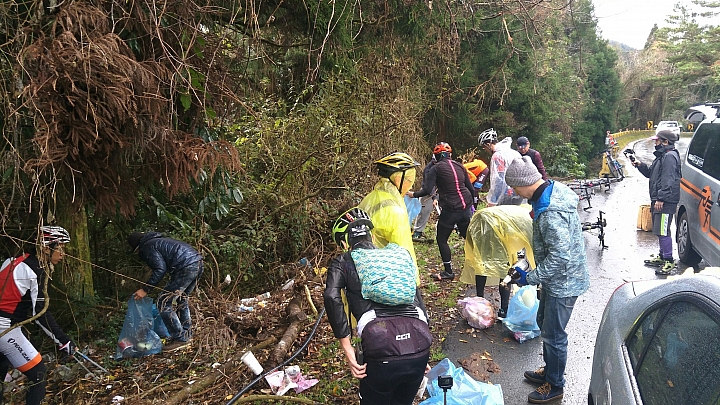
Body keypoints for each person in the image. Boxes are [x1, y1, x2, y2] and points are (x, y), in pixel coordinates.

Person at [503, 156, 590, 404]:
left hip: (565, 282)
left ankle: (555, 385)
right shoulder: (550, 191)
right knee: (544, 322)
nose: (513, 191)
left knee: (554, 334)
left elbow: (560, 256)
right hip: (556, 279)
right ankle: (549, 370)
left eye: (514, 186)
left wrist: (530, 278)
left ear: (523, 183)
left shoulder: (550, 211)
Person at [323, 208, 431, 405]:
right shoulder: (396, 257)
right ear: (371, 235)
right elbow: (416, 297)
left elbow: (331, 296)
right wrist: (417, 349)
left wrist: (347, 349)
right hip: (419, 343)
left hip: (381, 348)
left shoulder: (344, 261)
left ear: (345, 243)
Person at [0, 226, 77, 405]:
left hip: (8, 325)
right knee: (39, 373)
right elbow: (40, 313)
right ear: (45, 248)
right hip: (5, 327)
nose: (63, 254)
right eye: (60, 248)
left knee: (2, 368)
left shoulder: (12, 261)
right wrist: (64, 341)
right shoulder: (36, 271)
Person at [408, 142, 474, 281]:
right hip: (465, 206)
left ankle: (448, 272)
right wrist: (473, 203)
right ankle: (478, 263)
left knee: (442, 239)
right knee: (467, 236)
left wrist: (413, 194)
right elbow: (471, 188)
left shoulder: (435, 168)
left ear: (437, 156)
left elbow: (426, 190)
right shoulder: (459, 166)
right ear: (450, 155)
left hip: (451, 208)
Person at [128, 232, 204, 351]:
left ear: (137, 247)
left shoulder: (147, 247)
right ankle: (186, 334)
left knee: (163, 302)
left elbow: (160, 268)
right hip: (197, 262)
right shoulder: (157, 241)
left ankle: (180, 338)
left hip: (185, 267)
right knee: (181, 299)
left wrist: (145, 289)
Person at [475, 128, 523, 307]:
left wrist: (491, 202)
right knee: (508, 253)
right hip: (518, 202)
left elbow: (498, 182)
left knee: (488, 252)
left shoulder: (497, 156)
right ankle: (504, 308)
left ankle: (480, 299)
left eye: (484, 147)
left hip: (503, 205)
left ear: (488, 144)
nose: (486, 150)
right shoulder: (513, 152)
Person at [358, 152, 420, 282]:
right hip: (385, 279)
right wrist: (414, 283)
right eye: (408, 178)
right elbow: (404, 252)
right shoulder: (394, 210)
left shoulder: (370, 198)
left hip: (362, 273)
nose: (410, 182)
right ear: (398, 178)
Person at [631, 130, 682, 275]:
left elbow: (668, 179)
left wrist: (661, 198)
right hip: (658, 199)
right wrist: (639, 164)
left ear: (665, 142)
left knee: (663, 229)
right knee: (659, 229)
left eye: (657, 140)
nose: (655, 143)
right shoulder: (661, 156)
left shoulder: (670, 157)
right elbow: (650, 173)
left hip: (665, 201)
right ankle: (662, 256)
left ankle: (668, 260)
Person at [412, 156, 438, 241]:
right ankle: (417, 232)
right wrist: (434, 198)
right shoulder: (429, 169)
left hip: (441, 192)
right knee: (423, 212)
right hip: (427, 193)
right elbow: (429, 188)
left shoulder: (444, 166)